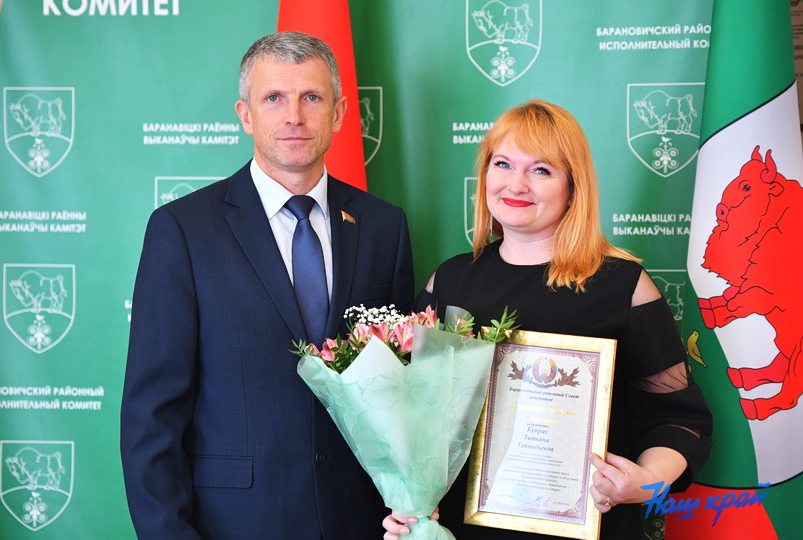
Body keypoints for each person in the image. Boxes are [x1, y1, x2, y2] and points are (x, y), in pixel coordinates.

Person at [121, 31, 414, 540]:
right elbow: (152, 416)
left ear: (340, 113)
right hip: (234, 523)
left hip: (362, 521)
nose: (294, 116)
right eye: (274, 97)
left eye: (312, 97)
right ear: (246, 114)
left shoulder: (383, 226)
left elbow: (402, 394)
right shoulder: (183, 230)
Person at [383, 100, 712, 539]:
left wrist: (645, 480)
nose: (516, 184)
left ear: (572, 188)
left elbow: (680, 420)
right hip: (463, 528)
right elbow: (413, 417)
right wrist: (410, 503)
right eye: (503, 164)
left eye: (541, 170)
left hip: (586, 525)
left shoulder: (622, 286)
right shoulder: (449, 281)